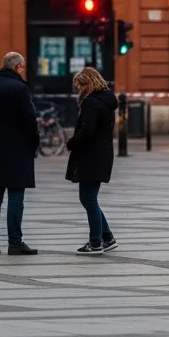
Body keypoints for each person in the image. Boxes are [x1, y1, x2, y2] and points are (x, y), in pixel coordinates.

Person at [0, 52, 39, 256]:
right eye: (24, 67)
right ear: (18, 67)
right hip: (17, 150)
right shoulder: (20, 89)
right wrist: (33, 143)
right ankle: (15, 242)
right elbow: (30, 121)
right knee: (16, 196)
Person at [66, 67, 119, 255]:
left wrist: (71, 143)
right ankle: (107, 237)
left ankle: (95, 242)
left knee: (88, 199)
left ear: (88, 84)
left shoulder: (91, 103)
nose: (78, 90)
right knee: (89, 198)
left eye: (80, 86)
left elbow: (87, 131)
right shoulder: (106, 101)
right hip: (102, 154)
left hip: (91, 156)